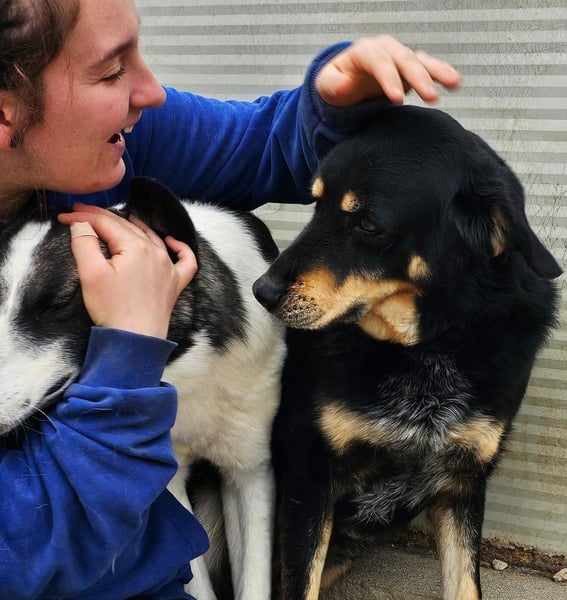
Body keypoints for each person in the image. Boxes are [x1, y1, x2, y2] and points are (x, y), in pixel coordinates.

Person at [0, 0, 461, 597]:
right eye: (111, 71)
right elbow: (23, 547)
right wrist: (127, 354)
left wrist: (333, 106)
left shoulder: (107, 138)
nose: (151, 92)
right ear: (6, 113)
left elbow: (256, 144)